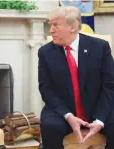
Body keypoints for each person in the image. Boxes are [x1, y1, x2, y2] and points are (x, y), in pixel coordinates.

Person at [38, 6, 114, 149]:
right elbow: (45, 89)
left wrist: (100, 120)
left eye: (56, 25)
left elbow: (110, 86)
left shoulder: (100, 47)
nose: (51, 30)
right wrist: (68, 115)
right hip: (62, 109)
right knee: (50, 126)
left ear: (72, 27)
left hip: (97, 107)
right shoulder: (45, 52)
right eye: (50, 25)